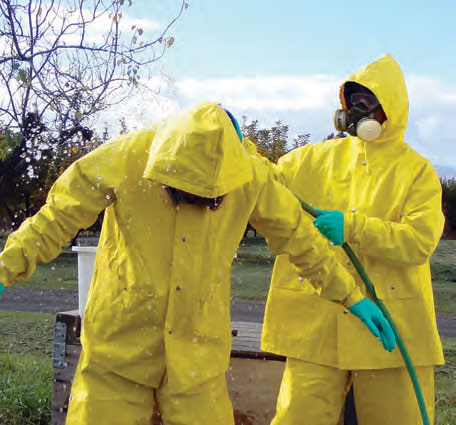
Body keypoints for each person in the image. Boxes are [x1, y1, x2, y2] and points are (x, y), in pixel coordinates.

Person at [0, 102, 393, 425]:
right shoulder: (124, 157)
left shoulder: (251, 176)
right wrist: (5, 267)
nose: (195, 204)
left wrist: (352, 297)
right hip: (116, 352)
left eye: (210, 200)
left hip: (197, 360)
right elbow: (56, 218)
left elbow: (301, 239)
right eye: (180, 193)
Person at [261, 54, 445, 425]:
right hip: (317, 327)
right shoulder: (309, 161)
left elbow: (419, 242)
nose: (359, 110)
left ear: (390, 110)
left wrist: (354, 228)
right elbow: (264, 183)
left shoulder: (417, 172)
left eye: (369, 102)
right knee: (298, 417)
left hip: (390, 328)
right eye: (353, 101)